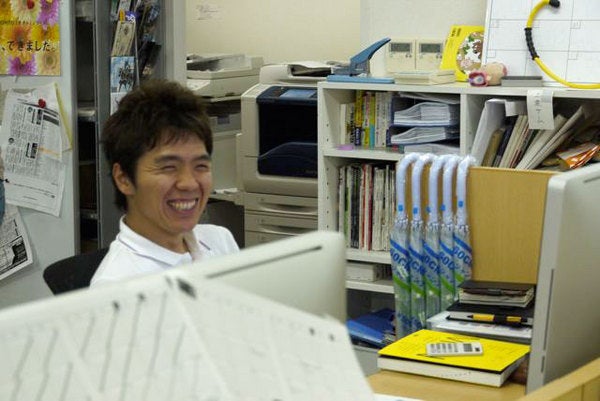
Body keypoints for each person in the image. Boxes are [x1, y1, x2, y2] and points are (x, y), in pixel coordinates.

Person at [90, 80, 239, 287]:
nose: (189, 184)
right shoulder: (116, 286)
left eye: (200, 166)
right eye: (169, 168)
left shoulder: (220, 241)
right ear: (123, 179)